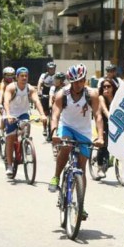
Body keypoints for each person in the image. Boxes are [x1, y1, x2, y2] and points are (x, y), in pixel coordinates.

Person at [48, 64, 104, 219]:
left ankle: (80, 204)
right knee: (65, 146)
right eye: (74, 82)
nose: (77, 85)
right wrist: (54, 133)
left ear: (85, 80)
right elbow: (55, 115)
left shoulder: (92, 94)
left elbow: (98, 116)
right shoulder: (62, 94)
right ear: (70, 82)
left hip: (84, 132)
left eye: (80, 81)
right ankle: (56, 176)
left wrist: (100, 136)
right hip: (66, 127)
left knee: (82, 168)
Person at [2, 67, 46, 178]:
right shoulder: (11, 87)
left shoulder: (30, 89)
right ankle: (10, 166)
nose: (24, 78)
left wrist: (42, 114)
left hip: (23, 113)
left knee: (26, 125)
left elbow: (36, 101)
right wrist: (8, 114)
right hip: (11, 114)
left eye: (26, 76)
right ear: (16, 77)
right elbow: (6, 101)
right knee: (10, 137)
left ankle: (25, 143)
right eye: (21, 76)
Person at [93, 77, 117, 179]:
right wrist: (111, 118)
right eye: (104, 87)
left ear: (113, 87)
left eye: (108, 86)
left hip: (114, 122)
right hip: (102, 122)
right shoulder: (101, 97)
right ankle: (99, 167)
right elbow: (105, 110)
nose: (106, 88)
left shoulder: (117, 97)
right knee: (103, 143)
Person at [37, 62, 57, 137]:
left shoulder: (57, 76)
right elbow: (39, 83)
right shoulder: (44, 75)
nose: (52, 70)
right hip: (45, 94)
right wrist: (39, 92)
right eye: (50, 69)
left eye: (53, 68)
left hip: (54, 94)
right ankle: (45, 128)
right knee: (45, 113)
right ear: (48, 69)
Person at [0, 67, 15, 136]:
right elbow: (1, 93)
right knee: (4, 116)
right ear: (4, 75)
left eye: (11, 75)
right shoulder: (3, 83)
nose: (9, 77)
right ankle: (1, 129)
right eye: (7, 75)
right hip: (3, 101)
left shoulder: (15, 82)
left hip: (13, 101)